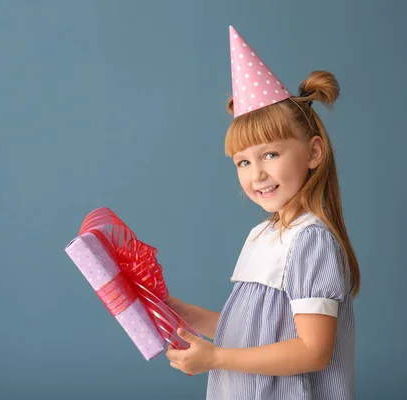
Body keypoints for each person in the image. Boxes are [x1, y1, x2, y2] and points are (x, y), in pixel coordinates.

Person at [165, 25, 360, 400]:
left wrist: (218, 357)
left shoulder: (311, 240)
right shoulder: (263, 235)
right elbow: (259, 332)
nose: (257, 174)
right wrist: (188, 315)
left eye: (270, 154)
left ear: (313, 153)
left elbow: (313, 350)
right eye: (242, 162)